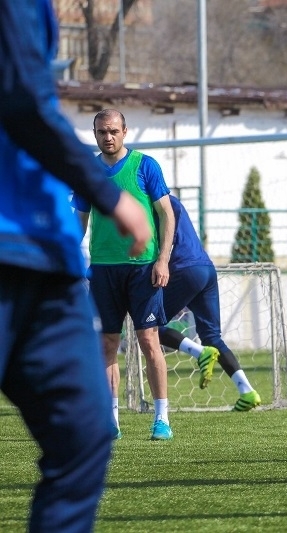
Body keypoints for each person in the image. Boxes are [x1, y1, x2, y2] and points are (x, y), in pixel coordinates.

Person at [0, 0, 152, 530]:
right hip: (15, 251)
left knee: (85, 434)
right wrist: (109, 196)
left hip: (46, 258)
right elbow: (22, 100)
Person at [74, 109, 176, 441]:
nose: (108, 137)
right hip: (103, 269)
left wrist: (163, 259)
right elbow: (79, 221)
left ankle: (161, 418)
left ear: (125, 131)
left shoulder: (145, 166)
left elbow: (166, 214)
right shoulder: (87, 171)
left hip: (143, 268)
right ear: (94, 134)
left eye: (113, 131)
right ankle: (111, 420)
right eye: (102, 132)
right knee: (107, 343)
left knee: (149, 340)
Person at [157, 194, 262, 411]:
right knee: (212, 336)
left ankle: (199, 352)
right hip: (206, 268)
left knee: (150, 326)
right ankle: (247, 392)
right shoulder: (171, 200)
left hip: (184, 269)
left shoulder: (155, 204)